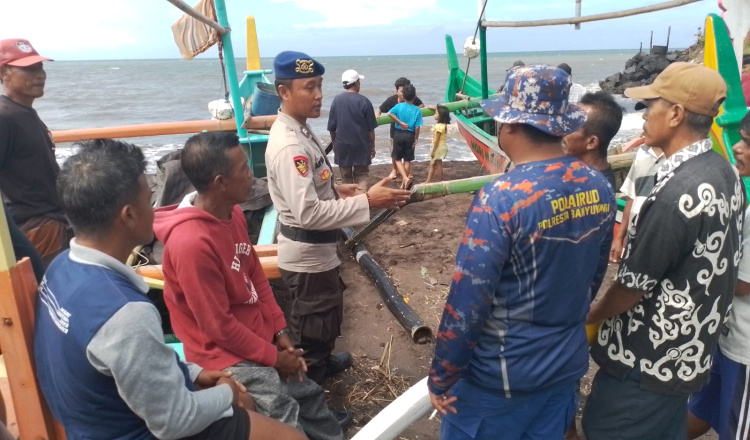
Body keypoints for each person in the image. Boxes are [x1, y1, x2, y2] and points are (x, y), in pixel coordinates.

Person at [34, 138, 306, 440]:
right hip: (137, 430)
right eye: (147, 199)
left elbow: (134, 360)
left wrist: (192, 373)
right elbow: (174, 420)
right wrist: (226, 393)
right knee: (287, 434)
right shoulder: (125, 313)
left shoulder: (58, 269)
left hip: (91, 422)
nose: (157, 208)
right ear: (128, 215)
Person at [428, 65, 616, 440]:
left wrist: (443, 374)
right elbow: (593, 278)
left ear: (509, 126)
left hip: (501, 377)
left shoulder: (501, 197)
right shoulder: (598, 185)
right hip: (563, 365)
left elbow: (469, 300)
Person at [582, 62, 743, 440]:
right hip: (688, 354)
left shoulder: (678, 193)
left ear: (675, 114)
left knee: (605, 428)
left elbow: (632, 286)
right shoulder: (723, 171)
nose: (643, 117)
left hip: (647, 358)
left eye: (650, 106)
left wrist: (591, 314)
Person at [154, 132, 349, 440]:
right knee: (280, 407)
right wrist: (273, 358)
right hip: (220, 354)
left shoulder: (231, 213)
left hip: (250, 336)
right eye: (244, 169)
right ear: (220, 183)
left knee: (307, 390)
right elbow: (217, 327)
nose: (251, 176)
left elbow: (254, 273)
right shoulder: (191, 243)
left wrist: (279, 329)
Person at [265, 51, 411, 384]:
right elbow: (307, 212)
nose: (318, 95)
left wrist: (342, 190)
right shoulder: (290, 145)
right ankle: (314, 396)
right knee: (312, 325)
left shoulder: (299, 130)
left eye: (319, 86)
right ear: (284, 91)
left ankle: (325, 361)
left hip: (318, 252)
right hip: (307, 257)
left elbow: (313, 187)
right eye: (308, 88)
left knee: (326, 315)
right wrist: (368, 202)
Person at [686, 111, 750, 440]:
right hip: (728, 337)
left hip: (745, 348)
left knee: (736, 428)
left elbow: (740, 284)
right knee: (702, 409)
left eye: (748, 142)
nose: (737, 147)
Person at [0, 38, 70, 266]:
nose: (39, 75)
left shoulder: (22, 111)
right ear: (3, 73)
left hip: (52, 221)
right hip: (34, 228)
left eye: (39, 67)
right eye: (28, 69)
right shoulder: (5, 117)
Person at [608, 141, 664, 263]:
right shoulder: (642, 153)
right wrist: (619, 238)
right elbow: (631, 197)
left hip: (661, 239)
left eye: (649, 120)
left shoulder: (682, 157)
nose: (644, 125)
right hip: (633, 237)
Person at [327, 69, 377, 190]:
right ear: (356, 83)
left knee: (346, 176)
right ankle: (362, 201)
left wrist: (335, 144)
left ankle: (349, 203)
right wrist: (372, 146)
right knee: (362, 174)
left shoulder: (336, 100)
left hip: (342, 144)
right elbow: (370, 129)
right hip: (361, 145)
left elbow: (332, 128)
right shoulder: (364, 101)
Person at [562, 91, 623, 189]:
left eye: (572, 126)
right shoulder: (582, 174)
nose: (562, 131)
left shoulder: (592, 188)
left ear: (591, 142)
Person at [375, 77, 424, 180]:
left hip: (407, 133)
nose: (403, 93)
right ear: (396, 91)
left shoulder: (412, 99)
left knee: (405, 157)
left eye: (405, 91)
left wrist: (415, 110)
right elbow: (380, 109)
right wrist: (377, 115)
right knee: (395, 155)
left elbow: (421, 105)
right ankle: (394, 170)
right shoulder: (391, 100)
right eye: (401, 91)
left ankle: (405, 175)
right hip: (395, 133)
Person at [387, 84, 423, 188]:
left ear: (403, 96)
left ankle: (405, 179)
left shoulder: (399, 106)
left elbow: (390, 114)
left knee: (397, 159)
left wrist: (400, 122)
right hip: (410, 135)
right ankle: (404, 182)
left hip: (398, 133)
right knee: (407, 160)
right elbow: (417, 127)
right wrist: (416, 138)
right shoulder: (417, 110)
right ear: (414, 96)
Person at [425, 105, 451, 183]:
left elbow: (436, 140)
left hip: (438, 147)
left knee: (434, 165)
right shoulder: (444, 125)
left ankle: (430, 181)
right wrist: (435, 108)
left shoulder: (439, 127)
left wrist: (433, 151)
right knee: (436, 164)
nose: (434, 114)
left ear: (441, 116)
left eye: (436, 113)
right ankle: (437, 181)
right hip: (442, 146)